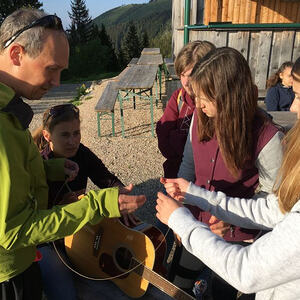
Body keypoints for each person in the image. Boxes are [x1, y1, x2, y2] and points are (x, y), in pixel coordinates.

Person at [0, 8, 145, 300]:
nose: (56, 82)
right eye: (51, 69)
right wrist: (99, 204)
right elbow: (14, 231)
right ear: (16, 55)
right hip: (9, 273)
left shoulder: (10, 111)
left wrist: (48, 171)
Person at [156, 56, 300, 300]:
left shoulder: (267, 137)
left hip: (238, 241)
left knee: (221, 290)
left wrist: (226, 224)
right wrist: (186, 197)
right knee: (177, 285)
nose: (198, 104)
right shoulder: (197, 121)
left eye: (205, 96)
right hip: (198, 224)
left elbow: (246, 268)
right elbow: (276, 208)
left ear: (229, 96)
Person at [32, 104, 138, 300]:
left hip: (80, 230)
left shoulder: (82, 153)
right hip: (48, 241)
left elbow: (106, 179)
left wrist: (122, 196)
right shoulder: (39, 164)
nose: (72, 141)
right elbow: (33, 217)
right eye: (64, 135)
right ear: (47, 136)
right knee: (67, 295)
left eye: (76, 133)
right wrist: (58, 206)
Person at [156, 40, 216, 178]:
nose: (185, 82)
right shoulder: (178, 97)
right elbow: (163, 136)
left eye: (191, 75)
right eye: (182, 75)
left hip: (206, 185)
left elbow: (210, 152)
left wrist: (177, 137)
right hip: (174, 177)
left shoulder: (217, 105)